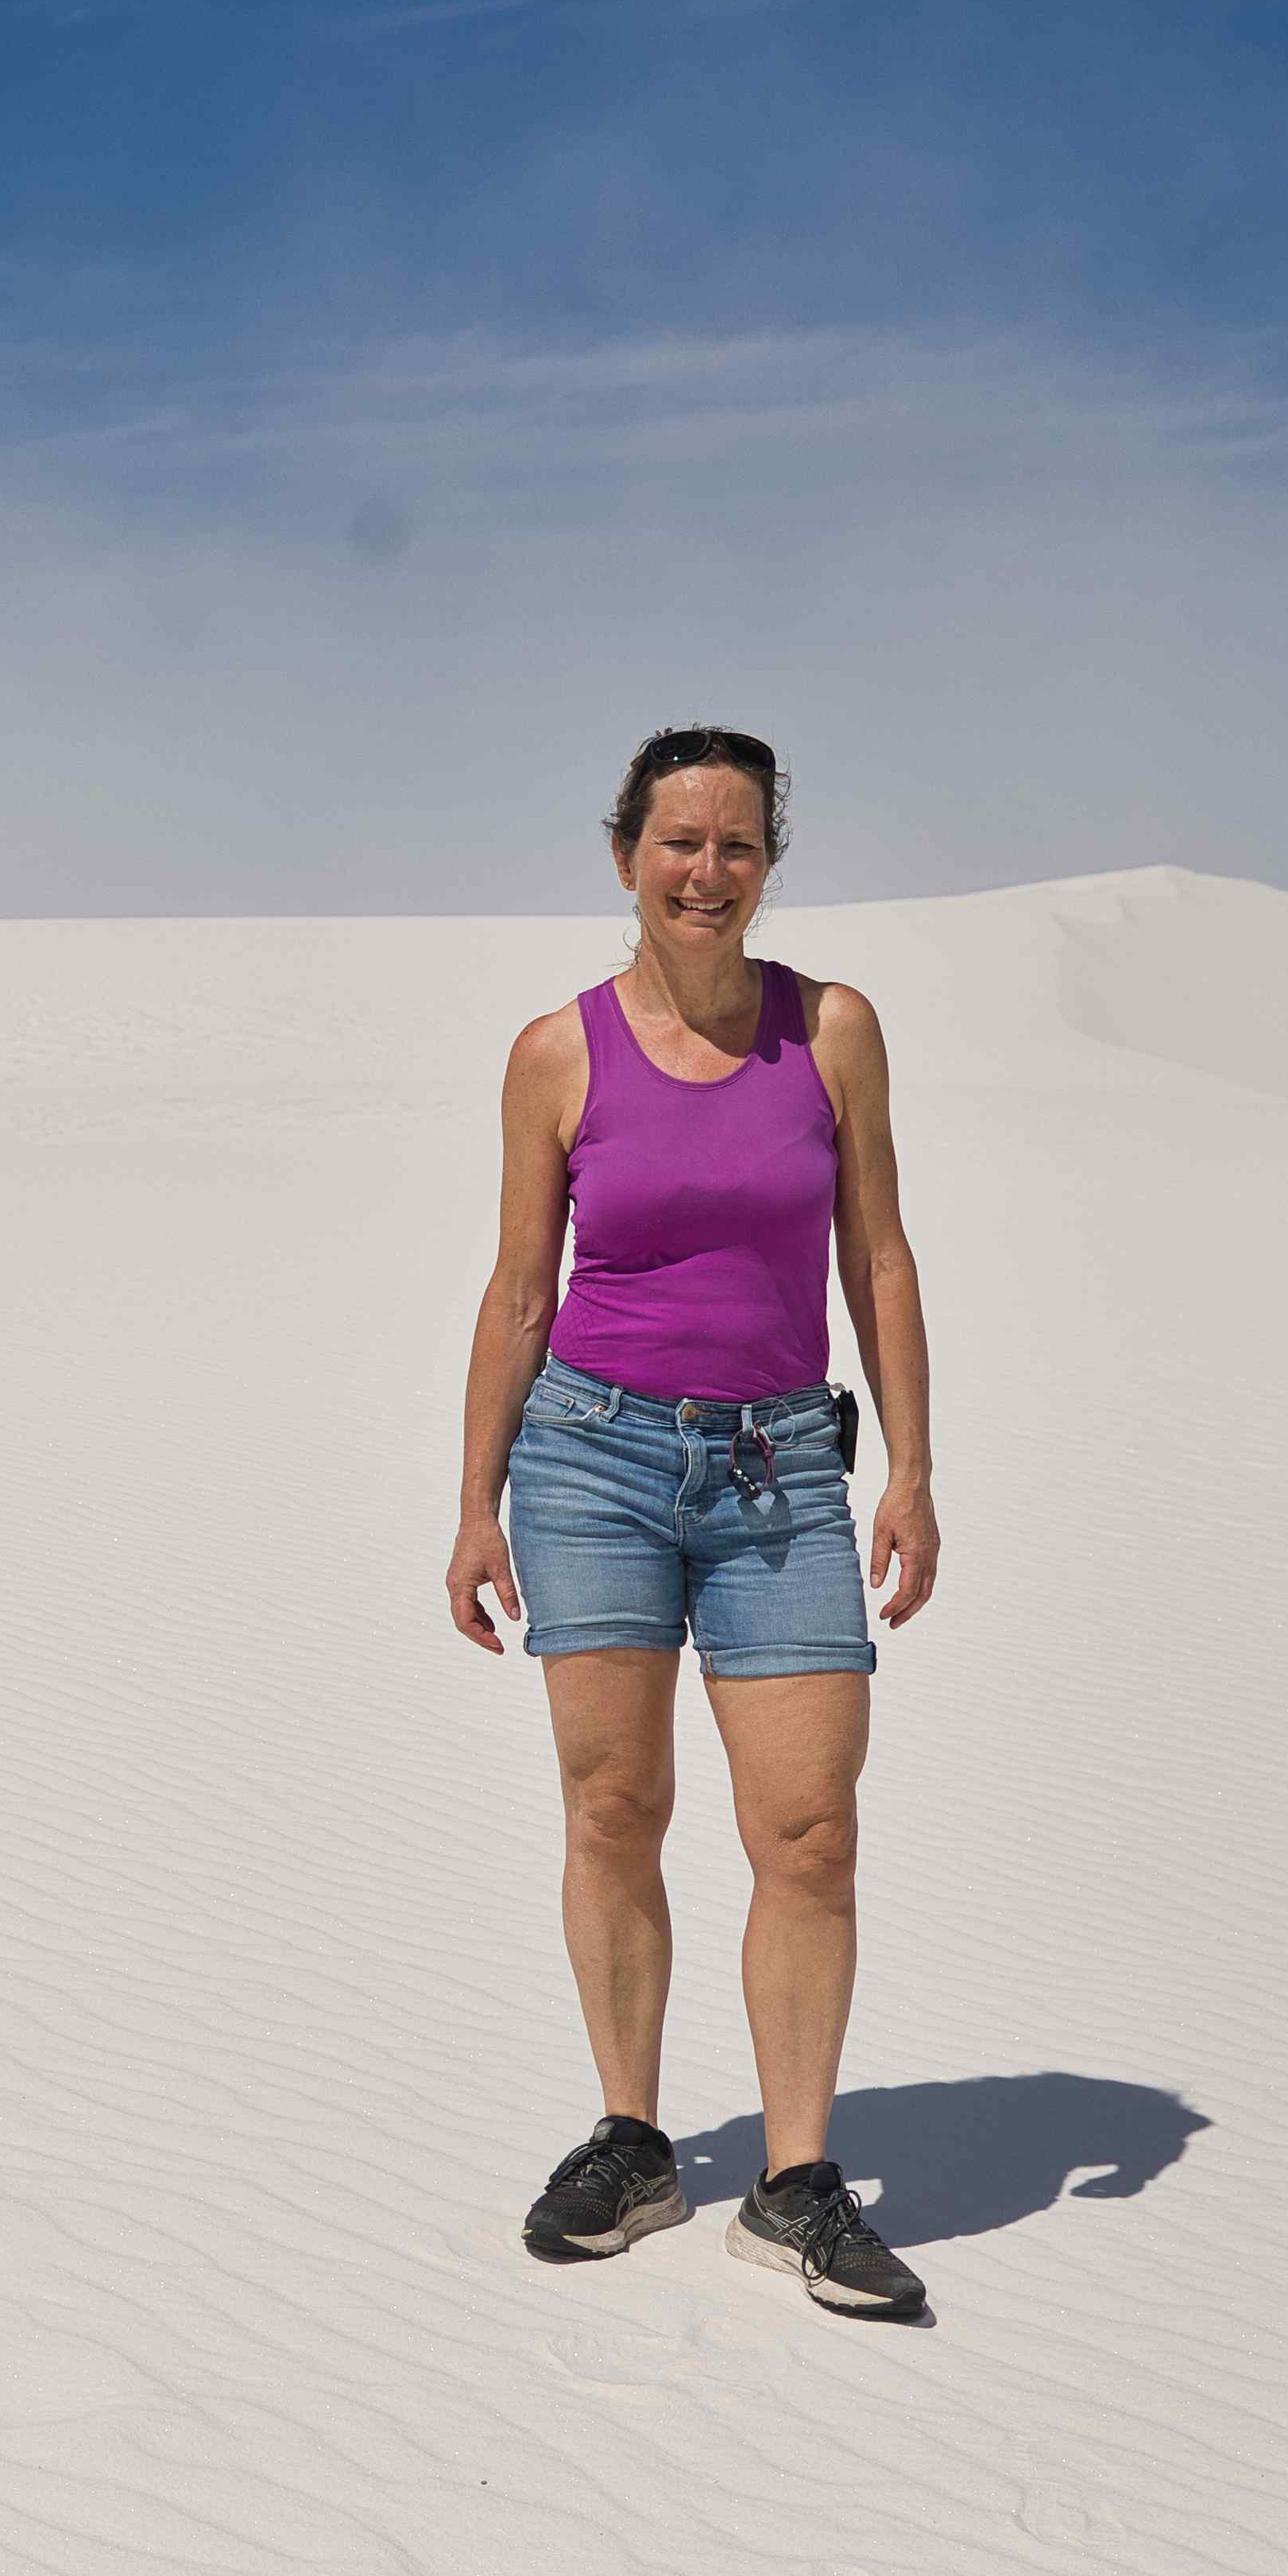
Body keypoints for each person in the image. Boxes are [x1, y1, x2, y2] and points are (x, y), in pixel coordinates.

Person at [443, 725, 942, 2320]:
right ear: (625, 858)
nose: (707, 871)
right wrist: (475, 1505)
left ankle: (796, 2183)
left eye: (737, 844)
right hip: (588, 1462)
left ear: (768, 862)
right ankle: (634, 2141)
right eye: (679, 842)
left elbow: (878, 1256)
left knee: (809, 1830)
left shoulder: (833, 1031)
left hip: (778, 1469)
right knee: (614, 1809)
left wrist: (912, 1474)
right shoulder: (557, 1054)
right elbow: (520, 1291)